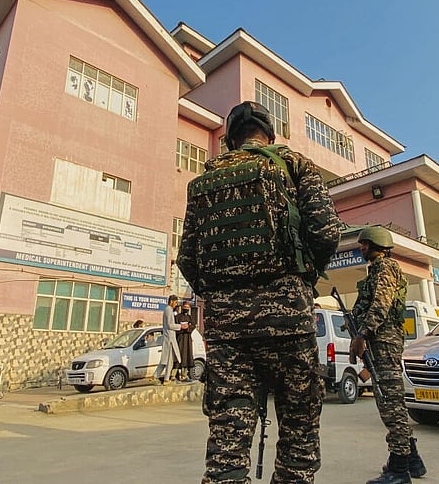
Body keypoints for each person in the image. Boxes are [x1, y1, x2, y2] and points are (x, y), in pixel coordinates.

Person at [178, 101, 341, 483]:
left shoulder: (201, 184)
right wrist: (301, 278)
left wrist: (221, 294)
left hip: (228, 333)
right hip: (288, 322)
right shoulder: (293, 165)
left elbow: (187, 259)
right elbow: (326, 232)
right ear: (269, 135)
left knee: (227, 439)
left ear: (230, 140)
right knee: (298, 427)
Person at [350, 226, 426, 484]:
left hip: (385, 342)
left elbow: (381, 304)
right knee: (390, 402)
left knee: (390, 404)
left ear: (377, 244)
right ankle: (413, 460)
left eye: (364, 244)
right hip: (379, 342)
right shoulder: (377, 270)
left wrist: (363, 333)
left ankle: (398, 470)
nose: (361, 248)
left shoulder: (386, 268)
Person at [154, 295, 181, 385]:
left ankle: (155, 376)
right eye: (176, 302)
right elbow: (170, 325)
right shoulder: (169, 310)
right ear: (172, 301)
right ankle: (166, 379)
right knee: (169, 360)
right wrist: (180, 326)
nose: (176, 304)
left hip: (169, 337)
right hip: (170, 339)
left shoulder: (167, 310)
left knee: (165, 360)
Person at [174, 301, 195, 382]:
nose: (186, 309)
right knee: (177, 357)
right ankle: (174, 375)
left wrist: (188, 327)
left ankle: (184, 375)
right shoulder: (177, 317)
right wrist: (181, 327)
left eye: (187, 308)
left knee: (187, 357)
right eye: (184, 307)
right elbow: (175, 327)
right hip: (179, 339)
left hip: (187, 340)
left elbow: (193, 326)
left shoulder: (190, 317)